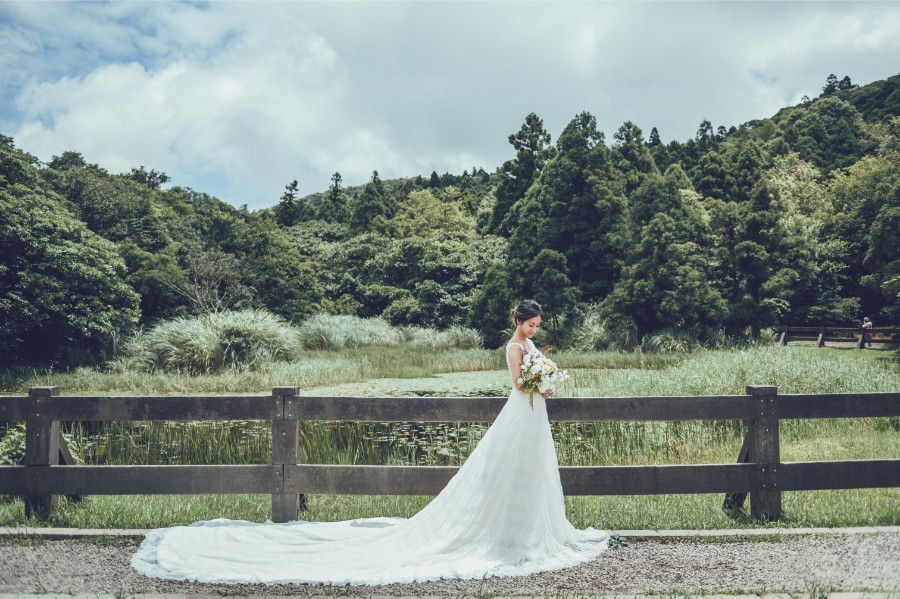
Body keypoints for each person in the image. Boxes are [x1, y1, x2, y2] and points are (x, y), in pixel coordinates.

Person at [131, 299, 608, 585]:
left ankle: (530, 531)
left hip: (534, 416)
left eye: (537, 326)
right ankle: (507, 537)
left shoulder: (534, 347)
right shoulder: (512, 347)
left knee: (531, 475)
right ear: (519, 322)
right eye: (530, 324)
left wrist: (548, 382)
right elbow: (516, 383)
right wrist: (538, 385)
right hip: (521, 413)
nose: (534, 330)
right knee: (505, 470)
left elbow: (536, 379)